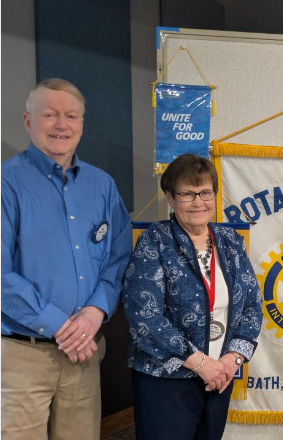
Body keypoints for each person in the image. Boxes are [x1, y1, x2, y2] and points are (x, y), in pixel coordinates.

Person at [1, 78, 132, 439]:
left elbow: (119, 256)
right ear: (28, 121)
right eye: (49, 114)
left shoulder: (102, 185)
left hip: (84, 355)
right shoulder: (5, 183)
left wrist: (95, 312)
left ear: (81, 125)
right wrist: (61, 326)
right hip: (24, 356)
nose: (61, 124)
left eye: (71, 116)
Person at [123, 154, 263, 440]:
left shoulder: (230, 241)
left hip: (219, 377)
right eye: (187, 194)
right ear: (170, 197)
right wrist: (201, 364)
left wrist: (231, 360)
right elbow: (145, 318)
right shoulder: (155, 240)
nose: (198, 202)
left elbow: (252, 305)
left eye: (205, 192)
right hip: (167, 381)